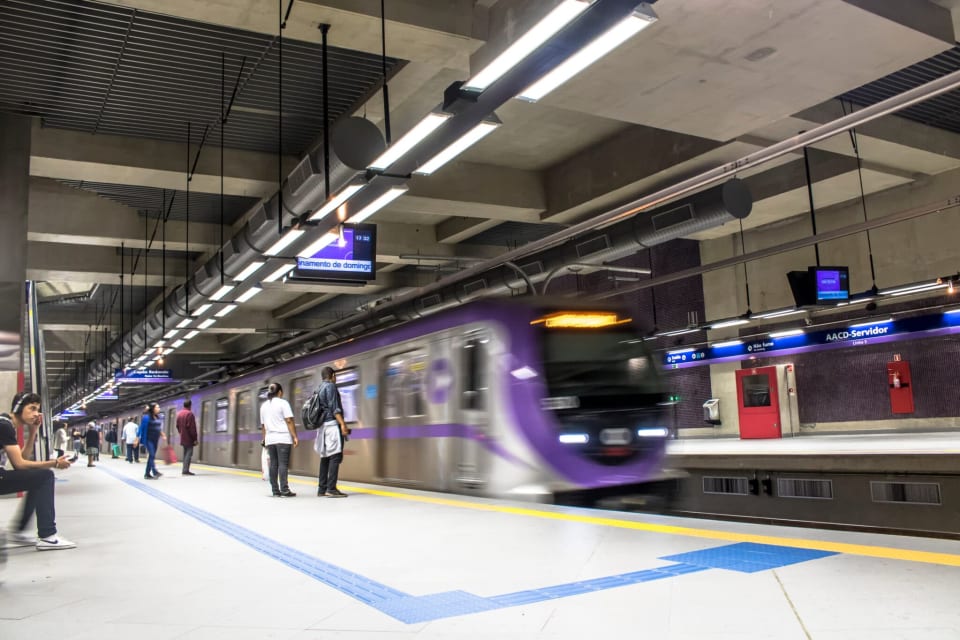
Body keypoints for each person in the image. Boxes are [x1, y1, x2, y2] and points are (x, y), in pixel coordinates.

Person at [1, 391, 75, 550]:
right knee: (46, 476)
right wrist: (54, 463)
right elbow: (20, 465)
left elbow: (19, 462)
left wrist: (33, 431)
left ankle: (19, 531)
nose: (36, 414)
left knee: (37, 479)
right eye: (32, 408)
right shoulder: (4, 425)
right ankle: (48, 536)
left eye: (37, 410)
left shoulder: (7, 424)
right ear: (19, 408)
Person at [315, 367, 350, 498]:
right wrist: (342, 424)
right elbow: (335, 408)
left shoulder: (319, 388)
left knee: (325, 457)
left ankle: (322, 489)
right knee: (335, 456)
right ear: (333, 375)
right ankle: (331, 488)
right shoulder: (331, 387)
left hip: (323, 427)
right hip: (332, 426)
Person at [259, 383, 298, 497]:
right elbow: (289, 420)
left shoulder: (264, 406)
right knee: (283, 464)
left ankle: (275, 490)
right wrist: (295, 436)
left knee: (273, 464)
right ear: (280, 392)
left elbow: (263, 426)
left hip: (270, 439)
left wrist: (264, 439)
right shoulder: (283, 403)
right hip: (283, 438)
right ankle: (285, 490)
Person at [138, 403, 165, 480]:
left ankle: (147, 474)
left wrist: (162, 434)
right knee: (152, 454)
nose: (159, 408)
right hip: (148, 439)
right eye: (157, 407)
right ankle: (155, 472)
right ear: (153, 408)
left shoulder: (158, 417)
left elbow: (158, 428)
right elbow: (141, 428)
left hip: (155, 439)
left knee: (151, 456)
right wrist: (137, 439)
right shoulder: (146, 418)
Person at [175, 399, 198, 476]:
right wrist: (195, 439)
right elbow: (192, 428)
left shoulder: (179, 414)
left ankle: (184, 469)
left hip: (183, 437)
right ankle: (185, 470)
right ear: (190, 405)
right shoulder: (190, 414)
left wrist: (181, 433)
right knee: (189, 454)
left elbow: (177, 426)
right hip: (189, 438)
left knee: (185, 453)